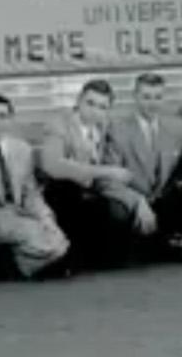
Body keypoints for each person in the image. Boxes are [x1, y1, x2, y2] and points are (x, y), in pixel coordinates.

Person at [0, 94, 69, 282]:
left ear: (11, 120)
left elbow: (30, 193)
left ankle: (14, 267)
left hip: (13, 215)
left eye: (2, 116)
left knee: (58, 244)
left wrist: (46, 219)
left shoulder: (22, 149)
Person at [39, 79, 146, 270]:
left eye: (102, 107)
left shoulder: (105, 127)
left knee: (118, 211)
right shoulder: (58, 124)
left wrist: (137, 200)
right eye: (90, 103)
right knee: (70, 193)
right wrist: (106, 171)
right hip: (60, 191)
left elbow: (114, 172)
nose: (94, 111)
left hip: (93, 190)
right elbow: (53, 166)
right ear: (79, 100)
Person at [106, 73, 182, 262]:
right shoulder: (117, 129)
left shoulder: (176, 125)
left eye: (157, 97)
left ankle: (168, 242)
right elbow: (108, 180)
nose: (152, 103)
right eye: (146, 97)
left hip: (164, 199)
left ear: (164, 98)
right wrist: (137, 201)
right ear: (135, 97)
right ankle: (158, 245)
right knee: (116, 210)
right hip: (134, 198)